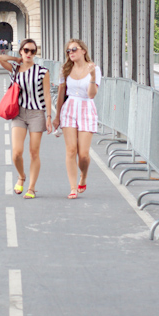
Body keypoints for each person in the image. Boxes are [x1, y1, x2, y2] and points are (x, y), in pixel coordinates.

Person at [0, 38, 52, 199]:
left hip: (37, 113)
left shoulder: (43, 71)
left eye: (33, 51)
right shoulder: (14, 69)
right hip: (19, 112)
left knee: (34, 152)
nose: (29, 53)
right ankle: (21, 176)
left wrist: (49, 117)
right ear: (21, 51)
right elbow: (0, 58)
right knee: (16, 152)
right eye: (26, 50)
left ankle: (31, 187)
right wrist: (16, 59)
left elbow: (48, 95)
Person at [52, 39, 101, 199]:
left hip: (87, 108)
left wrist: (92, 76)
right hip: (70, 108)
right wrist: (57, 116)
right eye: (68, 51)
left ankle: (83, 176)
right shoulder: (65, 69)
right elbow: (61, 93)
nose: (71, 52)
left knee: (84, 154)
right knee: (71, 150)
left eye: (74, 49)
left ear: (83, 51)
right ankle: (73, 187)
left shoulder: (94, 69)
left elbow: (92, 94)